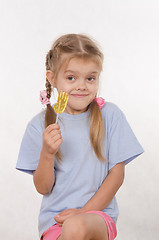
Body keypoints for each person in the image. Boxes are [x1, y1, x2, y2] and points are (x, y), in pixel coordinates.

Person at [16, 33, 144, 240]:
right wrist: (47, 154)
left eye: (90, 78)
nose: (82, 85)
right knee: (71, 228)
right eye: (71, 78)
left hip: (98, 216)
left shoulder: (110, 116)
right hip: (55, 221)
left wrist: (82, 213)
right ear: (52, 78)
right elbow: (43, 187)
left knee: (75, 227)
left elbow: (117, 175)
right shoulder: (38, 126)